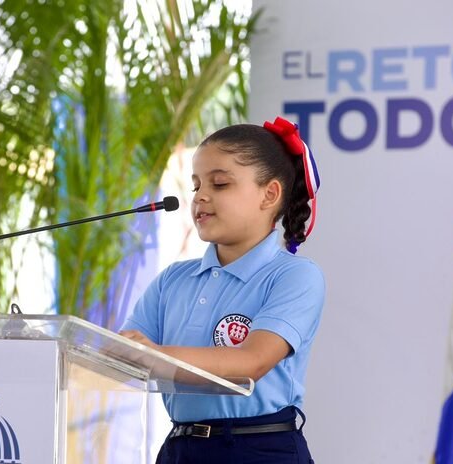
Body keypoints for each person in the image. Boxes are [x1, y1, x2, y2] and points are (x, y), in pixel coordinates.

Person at [120, 116, 326, 464]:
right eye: (196, 186)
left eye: (219, 184)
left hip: (258, 449)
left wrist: (154, 355)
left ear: (270, 194)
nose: (201, 196)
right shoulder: (173, 279)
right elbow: (126, 357)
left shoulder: (294, 276)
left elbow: (251, 361)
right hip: (179, 447)